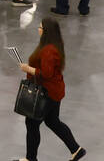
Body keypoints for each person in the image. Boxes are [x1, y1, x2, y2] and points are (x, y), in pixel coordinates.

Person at [17, 18, 86, 161]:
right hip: (55, 91)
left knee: (32, 123)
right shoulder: (53, 45)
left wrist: (28, 68)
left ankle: (30, 159)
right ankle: (76, 150)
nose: (38, 29)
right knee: (53, 121)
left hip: (47, 93)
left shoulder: (49, 50)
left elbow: (46, 74)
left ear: (46, 31)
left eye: (40, 27)